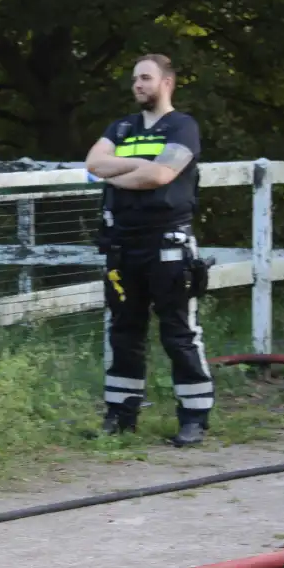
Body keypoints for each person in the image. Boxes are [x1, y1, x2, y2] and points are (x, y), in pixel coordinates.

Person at [85, 54, 213, 447]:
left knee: (178, 333)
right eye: (135, 78)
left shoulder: (183, 126)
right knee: (123, 332)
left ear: (167, 83)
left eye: (146, 78)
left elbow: (161, 175)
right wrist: (141, 169)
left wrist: (120, 173)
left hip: (168, 246)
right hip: (122, 246)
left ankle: (194, 417)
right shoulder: (120, 126)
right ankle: (121, 415)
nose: (137, 85)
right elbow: (92, 163)